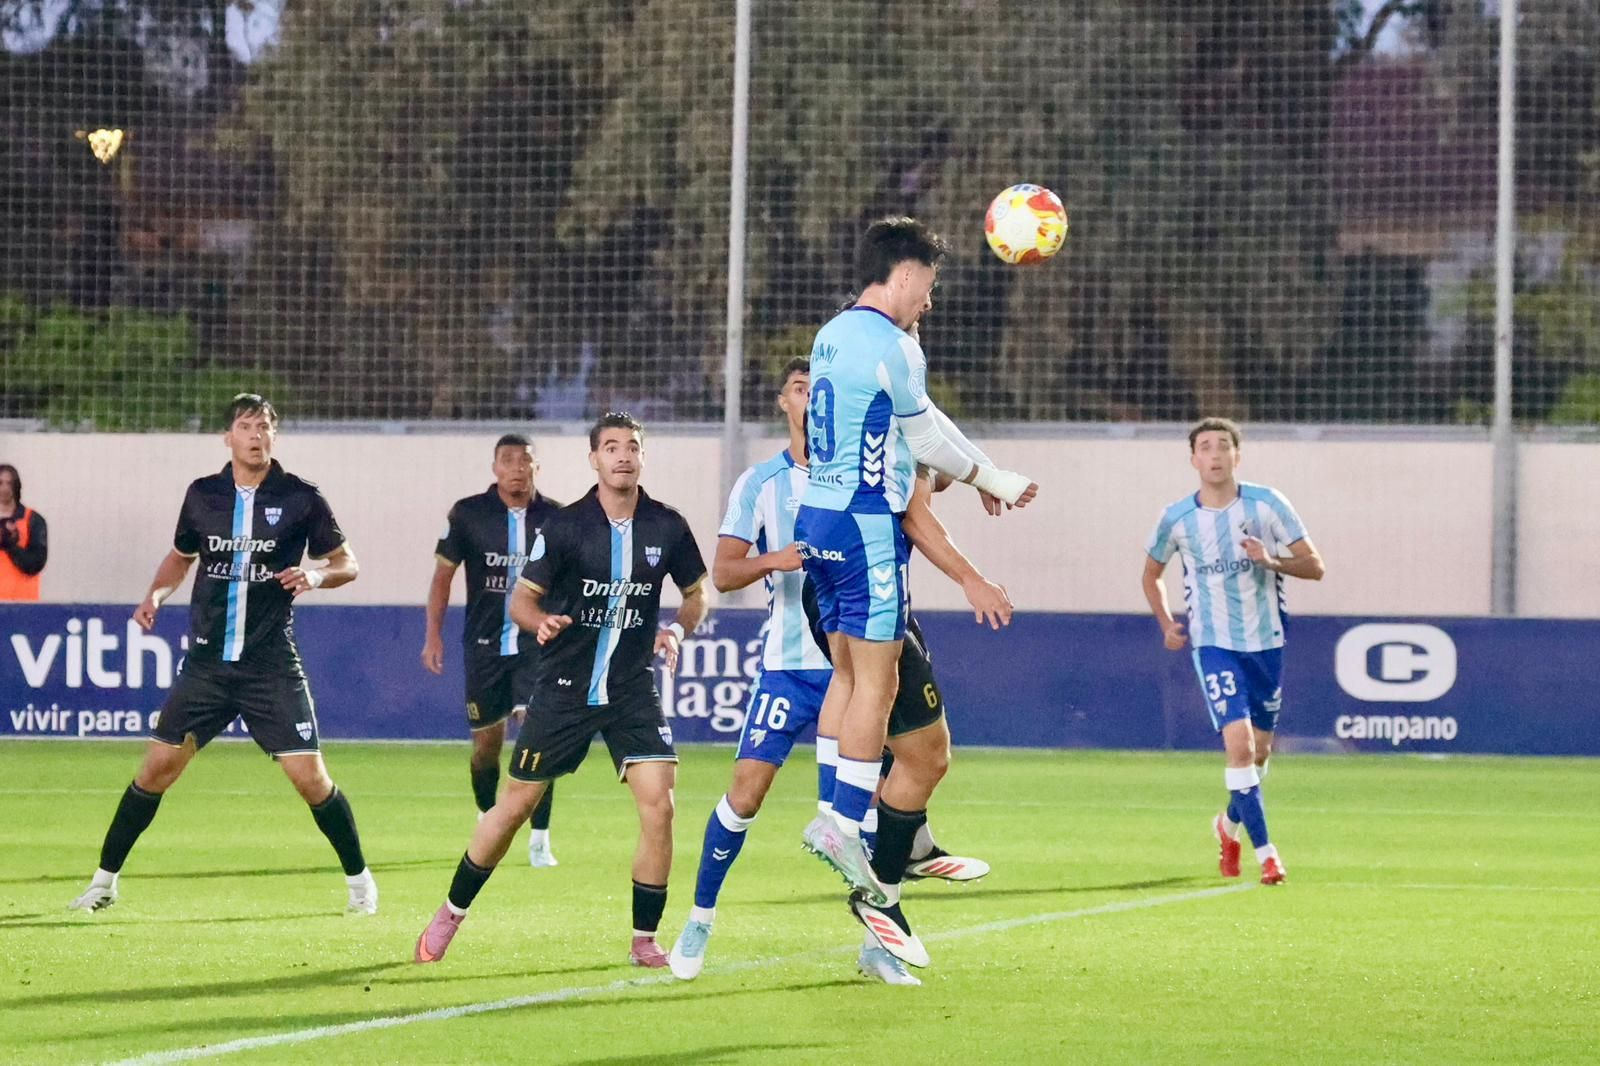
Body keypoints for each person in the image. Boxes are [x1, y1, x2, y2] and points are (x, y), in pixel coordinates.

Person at [666, 361, 1005, 984]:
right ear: (789, 405)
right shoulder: (761, 483)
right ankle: (700, 917)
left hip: (857, 657)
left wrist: (968, 472)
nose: (810, 397)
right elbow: (723, 573)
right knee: (745, 796)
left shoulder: (866, 460)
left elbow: (920, 479)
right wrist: (781, 557)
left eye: (813, 387)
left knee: (863, 817)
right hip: (791, 666)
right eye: (799, 388)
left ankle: (882, 933)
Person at [795, 216, 1036, 916]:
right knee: (879, 676)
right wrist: (995, 483)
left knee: (848, 672)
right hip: (869, 522)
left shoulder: (833, 333)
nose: (928, 299)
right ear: (904, 273)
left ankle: (842, 814)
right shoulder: (895, 344)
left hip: (819, 520)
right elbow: (925, 431)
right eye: (927, 285)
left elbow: (919, 419)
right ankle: (843, 826)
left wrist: (985, 469)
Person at [414, 412, 709, 968]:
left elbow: (697, 594)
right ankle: (450, 913)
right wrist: (539, 622)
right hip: (566, 687)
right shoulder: (567, 526)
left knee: (661, 807)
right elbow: (520, 602)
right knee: (514, 806)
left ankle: (644, 939)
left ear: (642, 457)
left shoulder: (667, 525)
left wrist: (674, 627)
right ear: (593, 459)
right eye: (612, 447)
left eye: (632, 447)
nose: (623, 456)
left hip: (630, 688)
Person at [68, 394, 375, 914]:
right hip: (208, 666)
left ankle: (361, 883)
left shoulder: (301, 498)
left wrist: (316, 575)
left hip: (269, 666)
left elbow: (348, 563)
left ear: (274, 438)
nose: (257, 435)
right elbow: (180, 556)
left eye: (265, 427)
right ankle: (103, 883)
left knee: (310, 779)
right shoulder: (202, 495)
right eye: (247, 426)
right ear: (227, 437)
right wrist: (155, 595)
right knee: (156, 770)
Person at [1141, 417, 1326, 886]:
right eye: (1205, 447)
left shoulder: (1267, 505)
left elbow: (1315, 566)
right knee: (1239, 746)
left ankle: (1227, 826)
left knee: (1260, 755)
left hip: (1266, 644)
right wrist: (1166, 622)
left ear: (1237, 456)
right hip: (1213, 643)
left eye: (1223, 446)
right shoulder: (1178, 518)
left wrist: (1271, 560)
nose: (1215, 455)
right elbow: (1151, 574)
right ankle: (1268, 855)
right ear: (1194, 460)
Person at [423, 433, 562, 866]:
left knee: (540, 735)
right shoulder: (469, 514)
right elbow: (443, 577)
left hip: (537, 643)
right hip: (484, 645)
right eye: (508, 460)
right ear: (495, 468)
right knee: (486, 747)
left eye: (526, 460)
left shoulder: (559, 518)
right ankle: (487, 819)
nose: (517, 467)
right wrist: (433, 634)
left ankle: (540, 837)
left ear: (537, 468)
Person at [0, 464, 48, 600]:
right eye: (0, 483)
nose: (4, 488)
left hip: (22, 608)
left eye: (9, 483)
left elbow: (35, 564)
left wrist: (10, 545)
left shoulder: (32, 520)